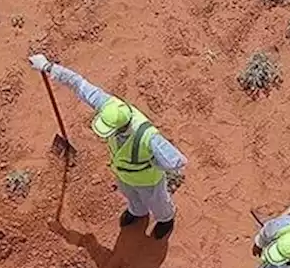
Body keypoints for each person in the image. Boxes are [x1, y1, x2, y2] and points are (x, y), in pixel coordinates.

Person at [27, 54, 188, 240]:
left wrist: (151, 163)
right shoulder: (108, 105)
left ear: (122, 127)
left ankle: (166, 219)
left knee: (158, 203)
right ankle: (138, 212)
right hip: (122, 174)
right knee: (131, 197)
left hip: (148, 181)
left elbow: (176, 161)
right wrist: (48, 66)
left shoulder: (149, 137)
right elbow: (79, 84)